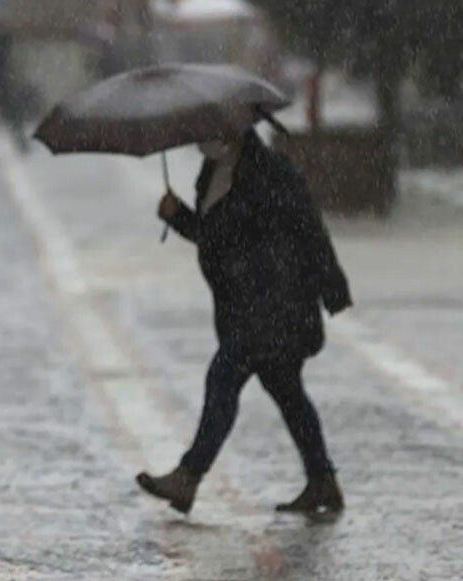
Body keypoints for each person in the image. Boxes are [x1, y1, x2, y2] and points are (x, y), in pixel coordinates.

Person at [137, 128, 352, 516]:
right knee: (286, 391)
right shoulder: (214, 170)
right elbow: (216, 238)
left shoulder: (268, 170)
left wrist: (331, 287)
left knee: (224, 376)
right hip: (248, 305)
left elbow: (307, 227)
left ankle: (188, 477)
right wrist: (180, 216)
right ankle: (322, 481)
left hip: (277, 301)